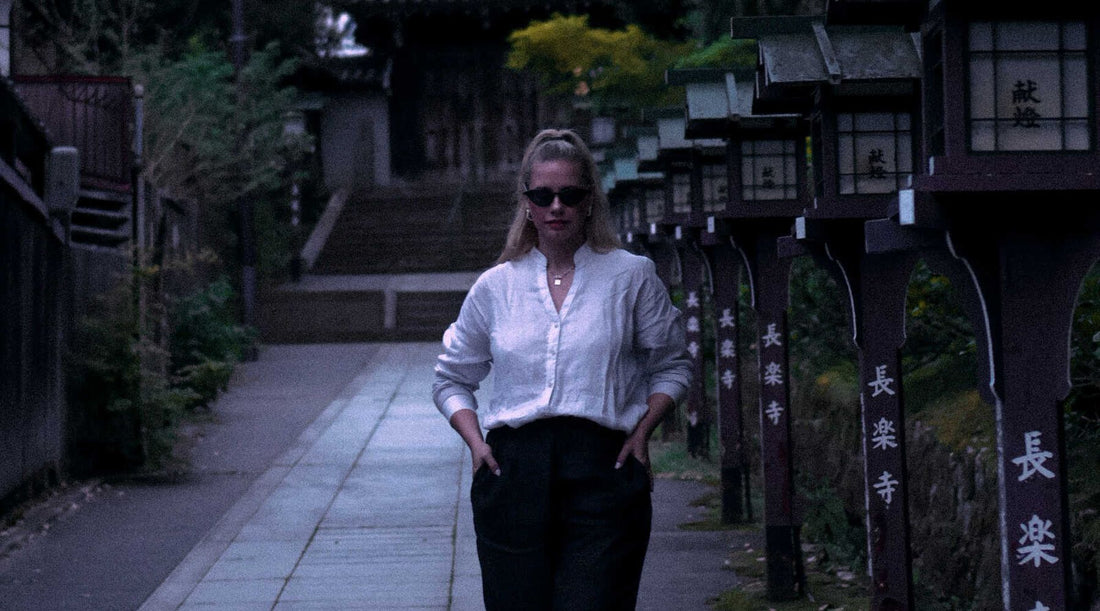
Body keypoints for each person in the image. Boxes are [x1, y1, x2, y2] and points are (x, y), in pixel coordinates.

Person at [432, 128, 691, 611]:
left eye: (569, 195)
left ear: (589, 200)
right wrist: (476, 444)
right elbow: (452, 378)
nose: (557, 207)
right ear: (526, 203)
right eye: (543, 195)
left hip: (604, 466)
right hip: (513, 469)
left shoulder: (631, 276)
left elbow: (672, 365)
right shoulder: (495, 287)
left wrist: (644, 430)